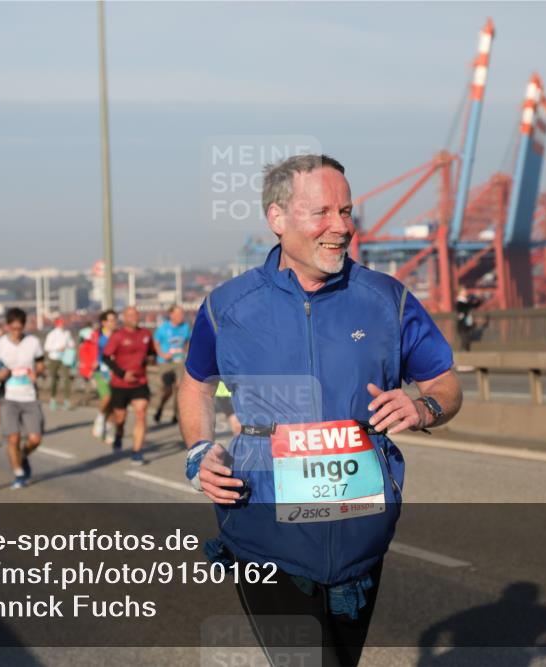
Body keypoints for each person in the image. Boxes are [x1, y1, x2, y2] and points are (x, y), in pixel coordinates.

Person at [178, 155, 461, 665]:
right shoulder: (229, 307)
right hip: (264, 530)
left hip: (360, 532)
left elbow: (445, 383)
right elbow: (197, 382)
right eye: (322, 212)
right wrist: (200, 451)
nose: (342, 227)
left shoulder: (386, 299)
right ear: (277, 217)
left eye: (346, 211)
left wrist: (424, 407)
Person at [0, 307, 45, 490]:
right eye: (13, 328)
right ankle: (19, 473)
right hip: (8, 398)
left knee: (35, 439)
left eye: (19, 328)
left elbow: (40, 364)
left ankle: (23, 455)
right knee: (13, 438)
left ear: (24, 326)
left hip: (30, 396)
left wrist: (37, 373)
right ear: (7, 326)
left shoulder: (33, 342)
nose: (16, 332)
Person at [103, 306, 155, 465]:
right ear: (124, 318)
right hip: (120, 384)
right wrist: (122, 374)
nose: (134, 317)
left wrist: (151, 358)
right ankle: (119, 434)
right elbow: (106, 357)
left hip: (140, 382)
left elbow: (151, 352)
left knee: (141, 413)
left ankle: (137, 451)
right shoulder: (118, 336)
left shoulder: (145, 334)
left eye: (136, 314)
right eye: (131, 315)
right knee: (120, 417)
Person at [153, 305, 191, 424]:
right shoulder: (163, 328)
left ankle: (176, 414)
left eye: (182, 314)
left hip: (179, 361)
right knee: (168, 389)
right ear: (171, 315)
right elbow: (156, 342)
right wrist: (162, 354)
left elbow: (188, 341)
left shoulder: (185, 327)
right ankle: (160, 408)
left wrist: (186, 352)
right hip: (166, 362)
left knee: (179, 389)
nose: (181, 316)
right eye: (178, 314)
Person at [91, 310, 118, 443]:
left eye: (115, 320)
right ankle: (100, 419)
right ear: (104, 322)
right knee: (107, 397)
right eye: (110, 320)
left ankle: (108, 428)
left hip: (116, 372)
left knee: (113, 403)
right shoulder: (97, 336)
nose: (113, 323)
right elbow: (87, 350)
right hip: (101, 371)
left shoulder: (118, 335)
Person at [44, 317, 76, 411]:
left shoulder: (67, 333)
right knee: (54, 378)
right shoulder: (52, 334)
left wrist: (67, 346)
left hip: (65, 358)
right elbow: (47, 347)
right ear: (57, 324)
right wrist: (57, 348)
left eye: (63, 323)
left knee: (66, 378)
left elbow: (72, 344)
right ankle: (53, 399)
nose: (62, 325)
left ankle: (67, 400)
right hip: (54, 358)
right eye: (60, 323)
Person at [454, 287, 483, 352]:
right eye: (464, 291)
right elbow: (462, 309)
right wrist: (470, 305)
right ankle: (463, 352)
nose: (465, 292)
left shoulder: (466, 301)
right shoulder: (459, 302)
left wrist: (479, 298)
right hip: (462, 323)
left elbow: (475, 305)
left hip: (468, 322)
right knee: (465, 338)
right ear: (460, 293)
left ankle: (465, 351)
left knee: (467, 337)